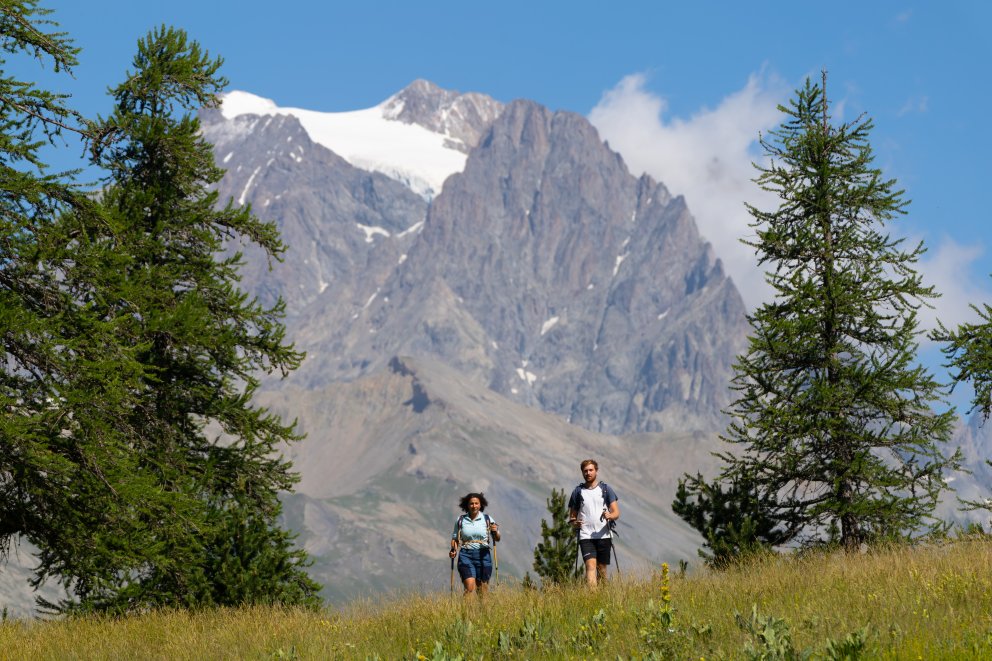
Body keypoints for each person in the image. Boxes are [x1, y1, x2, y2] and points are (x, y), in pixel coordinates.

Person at [568, 459, 620, 587]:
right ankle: (592, 597)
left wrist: (610, 515)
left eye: (591, 470)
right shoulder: (577, 492)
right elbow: (572, 517)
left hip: (604, 534)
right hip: (586, 536)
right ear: (582, 473)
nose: (588, 473)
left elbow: (616, 513)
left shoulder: (606, 489)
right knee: (590, 565)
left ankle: (601, 596)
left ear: (596, 471)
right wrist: (574, 523)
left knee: (602, 569)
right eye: (585, 471)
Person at [449, 492, 500, 598]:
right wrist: (453, 549)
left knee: (482, 590)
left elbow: (497, 538)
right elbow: (455, 538)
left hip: (483, 555)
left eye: (476, 503)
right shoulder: (460, 520)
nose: (474, 506)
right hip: (465, 555)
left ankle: (484, 614)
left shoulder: (487, 519)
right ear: (467, 505)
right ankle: (466, 614)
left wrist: (496, 531)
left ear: (480, 505)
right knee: (470, 587)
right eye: (471, 503)